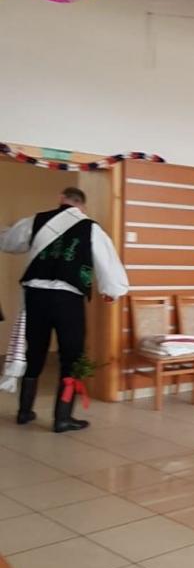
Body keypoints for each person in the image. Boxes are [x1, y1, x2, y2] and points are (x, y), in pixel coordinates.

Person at [0, 185, 129, 432]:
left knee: (35, 351)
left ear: (62, 199)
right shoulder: (91, 228)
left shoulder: (36, 221)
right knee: (71, 355)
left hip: (35, 295)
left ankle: (24, 412)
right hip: (67, 298)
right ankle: (62, 417)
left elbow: (9, 242)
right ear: (82, 205)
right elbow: (107, 261)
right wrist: (112, 291)